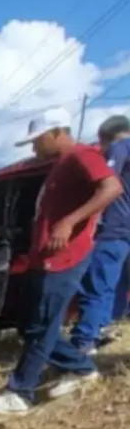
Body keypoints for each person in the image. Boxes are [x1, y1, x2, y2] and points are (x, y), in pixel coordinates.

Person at [0, 109, 123, 414]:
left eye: (38, 140)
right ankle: (80, 367)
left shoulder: (82, 155)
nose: (34, 147)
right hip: (43, 256)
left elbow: (111, 187)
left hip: (63, 256)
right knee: (30, 324)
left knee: (42, 325)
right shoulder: (60, 163)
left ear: (57, 132)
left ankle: (20, 391)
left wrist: (69, 222)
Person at [70, 115, 130, 354]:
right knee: (117, 282)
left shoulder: (118, 148)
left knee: (97, 284)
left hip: (113, 227)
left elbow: (107, 183)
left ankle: (85, 339)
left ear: (104, 138)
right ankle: (105, 326)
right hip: (127, 229)